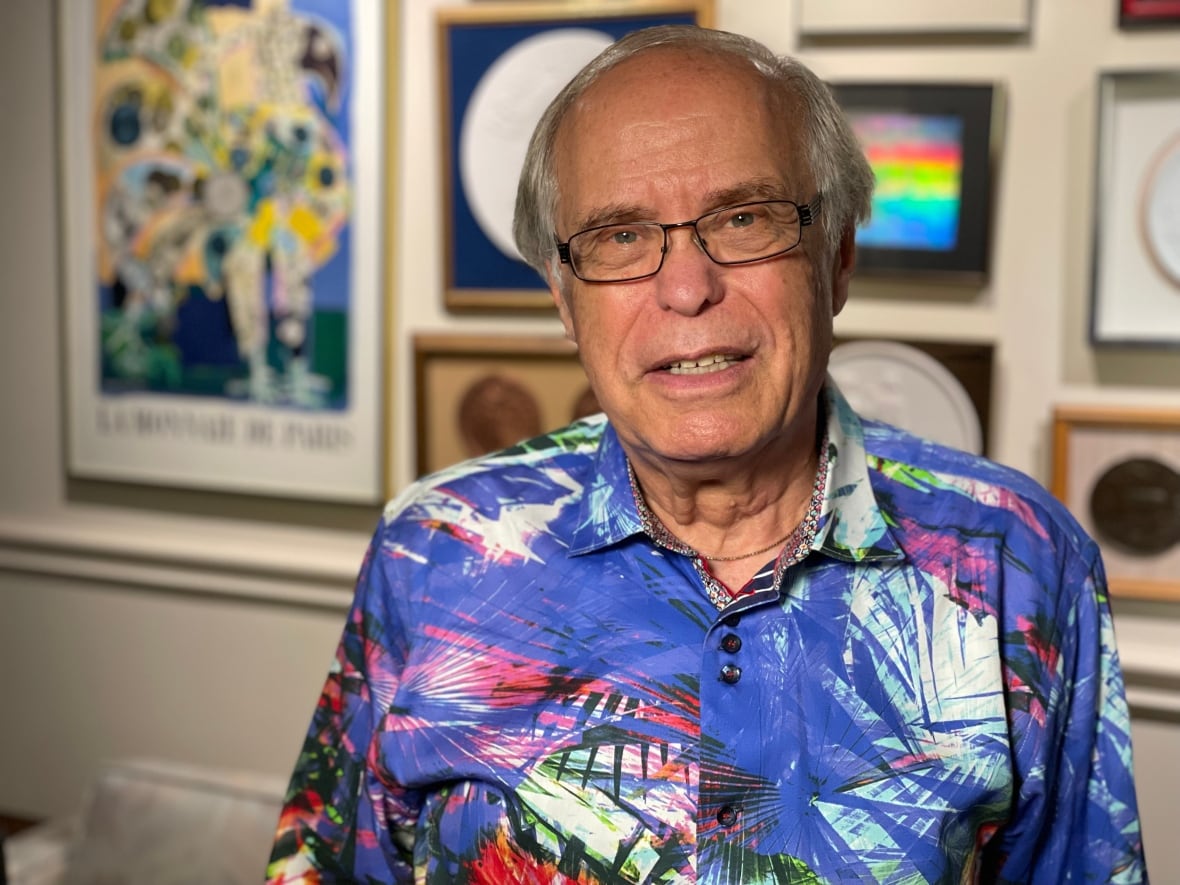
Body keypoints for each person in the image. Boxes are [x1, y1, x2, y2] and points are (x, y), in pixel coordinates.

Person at [267, 25, 1147, 883]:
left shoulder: (1018, 561)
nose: (686, 289)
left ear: (836, 259)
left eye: (744, 217)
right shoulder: (437, 548)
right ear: (565, 300)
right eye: (619, 237)